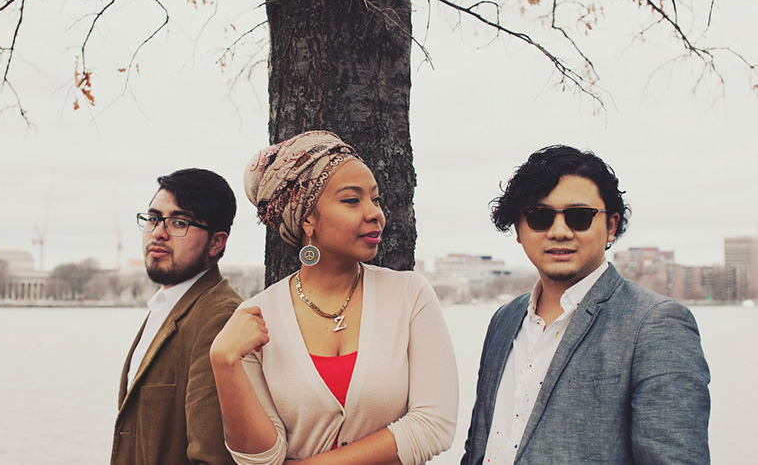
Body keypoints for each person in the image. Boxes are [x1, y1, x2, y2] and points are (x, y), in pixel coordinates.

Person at [209, 130, 458, 465]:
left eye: (375, 198)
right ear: (306, 217)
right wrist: (224, 363)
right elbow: (261, 459)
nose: (374, 213)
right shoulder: (256, 318)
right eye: (352, 200)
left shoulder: (409, 296)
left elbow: (433, 426)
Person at [461, 145, 711, 464]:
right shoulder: (504, 320)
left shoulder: (656, 323)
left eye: (579, 216)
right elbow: (480, 447)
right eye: (540, 217)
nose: (560, 232)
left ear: (611, 226)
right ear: (519, 230)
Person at [111, 168, 243, 465]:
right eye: (154, 218)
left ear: (216, 243)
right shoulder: (166, 305)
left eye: (179, 223)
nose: (158, 232)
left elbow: (212, 457)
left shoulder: (219, 319)